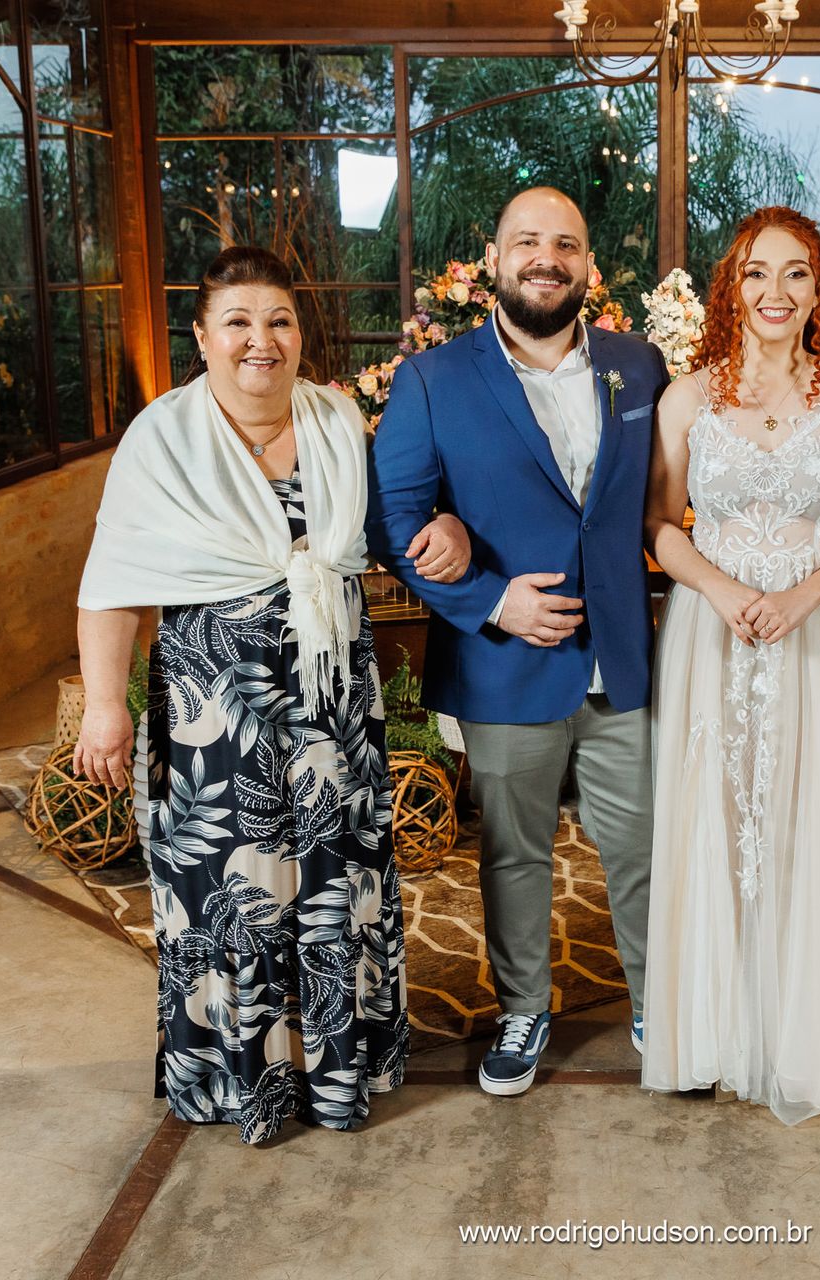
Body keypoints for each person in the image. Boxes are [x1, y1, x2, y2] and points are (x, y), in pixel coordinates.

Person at [73, 245, 470, 1143]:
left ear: (301, 333)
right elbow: (109, 583)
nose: (263, 340)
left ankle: (340, 1068)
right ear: (204, 337)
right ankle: (244, 1078)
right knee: (233, 887)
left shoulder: (335, 420)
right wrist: (106, 705)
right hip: (219, 718)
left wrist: (441, 522)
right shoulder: (162, 439)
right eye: (240, 322)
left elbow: (393, 522)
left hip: (333, 711)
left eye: (280, 320)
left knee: (335, 882)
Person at [365, 188, 668, 1097]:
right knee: (513, 852)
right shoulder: (432, 379)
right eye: (528, 242)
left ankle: (664, 1004)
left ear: (588, 267)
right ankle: (524, 1009)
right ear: (494, 259)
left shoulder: (639, 366)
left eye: (566, 244)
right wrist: (492, 601)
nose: (548, 258)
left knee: (645, 844)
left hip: (621, 657)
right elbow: (394, 520)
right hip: (503, 663)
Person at [640, 206, 820, 1125]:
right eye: (757, 273)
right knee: (718, 826)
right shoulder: (688, 398)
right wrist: (722, 591)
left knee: (817, 822)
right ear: (732, 285)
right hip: (713, 635)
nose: (774, 292)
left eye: (796, 274)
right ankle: (716, 1034)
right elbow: (658, 528)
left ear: (818, 290)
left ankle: (814, 1041)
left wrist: (805, 597)